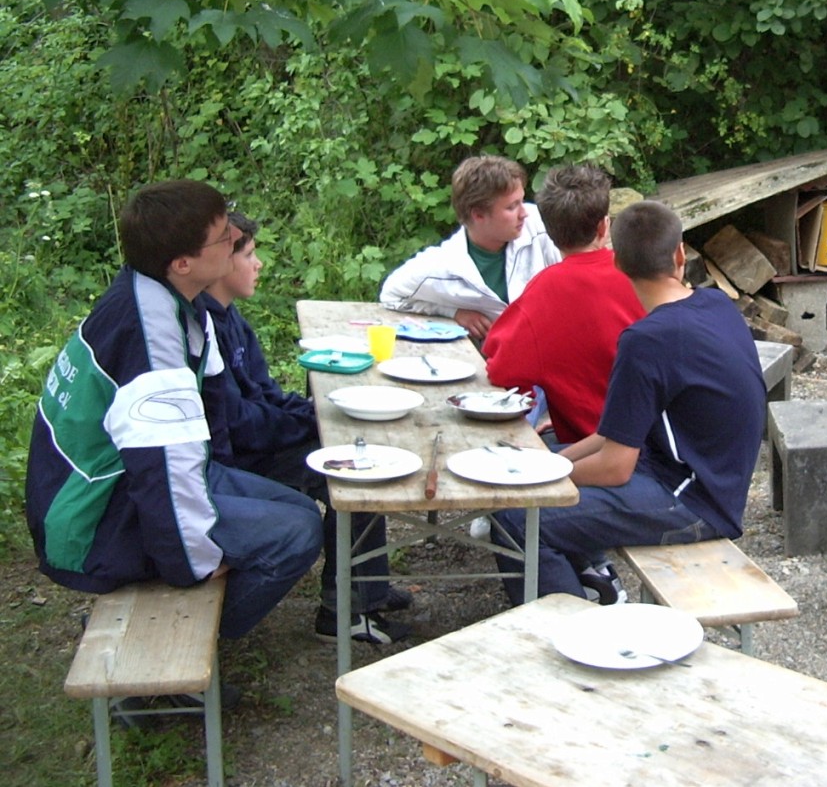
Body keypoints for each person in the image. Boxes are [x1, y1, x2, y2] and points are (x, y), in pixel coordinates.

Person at [26, 181, 323, 641]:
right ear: (183, 263)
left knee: (298, 508)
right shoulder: (151, 339)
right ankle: (160, 646)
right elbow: (160, 467)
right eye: (223, 237)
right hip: (94, 513)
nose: (235, 239)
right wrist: (195, 559)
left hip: (133, 481)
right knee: (296, 533)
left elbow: (213, 420)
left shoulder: (174, 297)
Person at [491, 200, 766, 605]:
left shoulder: (645, 341)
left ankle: (568, 630)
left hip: (692, 501)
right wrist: (551, 463)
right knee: (540, 455)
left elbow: (615, 467)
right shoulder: (717, 304)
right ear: (680, 254)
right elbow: (612, 434)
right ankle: (594, 583)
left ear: (617, 263)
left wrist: (543, 480)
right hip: (702, 476)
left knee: (516, 517)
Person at [202, 213, 410, 645]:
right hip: (236, 464)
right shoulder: (205, 328)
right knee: (354, 466)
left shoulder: (230, 317)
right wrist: (309, 421)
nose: (258, 264)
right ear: (221, 264)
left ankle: (366, 589)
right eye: (249, 255)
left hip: (257, 443)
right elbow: (240, 425)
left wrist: (314, 411)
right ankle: (344, 612)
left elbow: (265, 393)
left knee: (356, 446)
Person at [482, 163, 646, 446]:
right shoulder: (641, 275)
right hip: (656, 439)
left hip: (590, 447)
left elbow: (499, 368)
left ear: (549, 230)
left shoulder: (542, 292)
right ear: (604, 226)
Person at [380, 155, 560, 338]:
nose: (524, 213)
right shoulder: (442, 266)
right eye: (512, 207)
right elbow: (390, 295)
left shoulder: (542, 226)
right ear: (478, 215)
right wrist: (454, 313)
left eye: (521, 201)